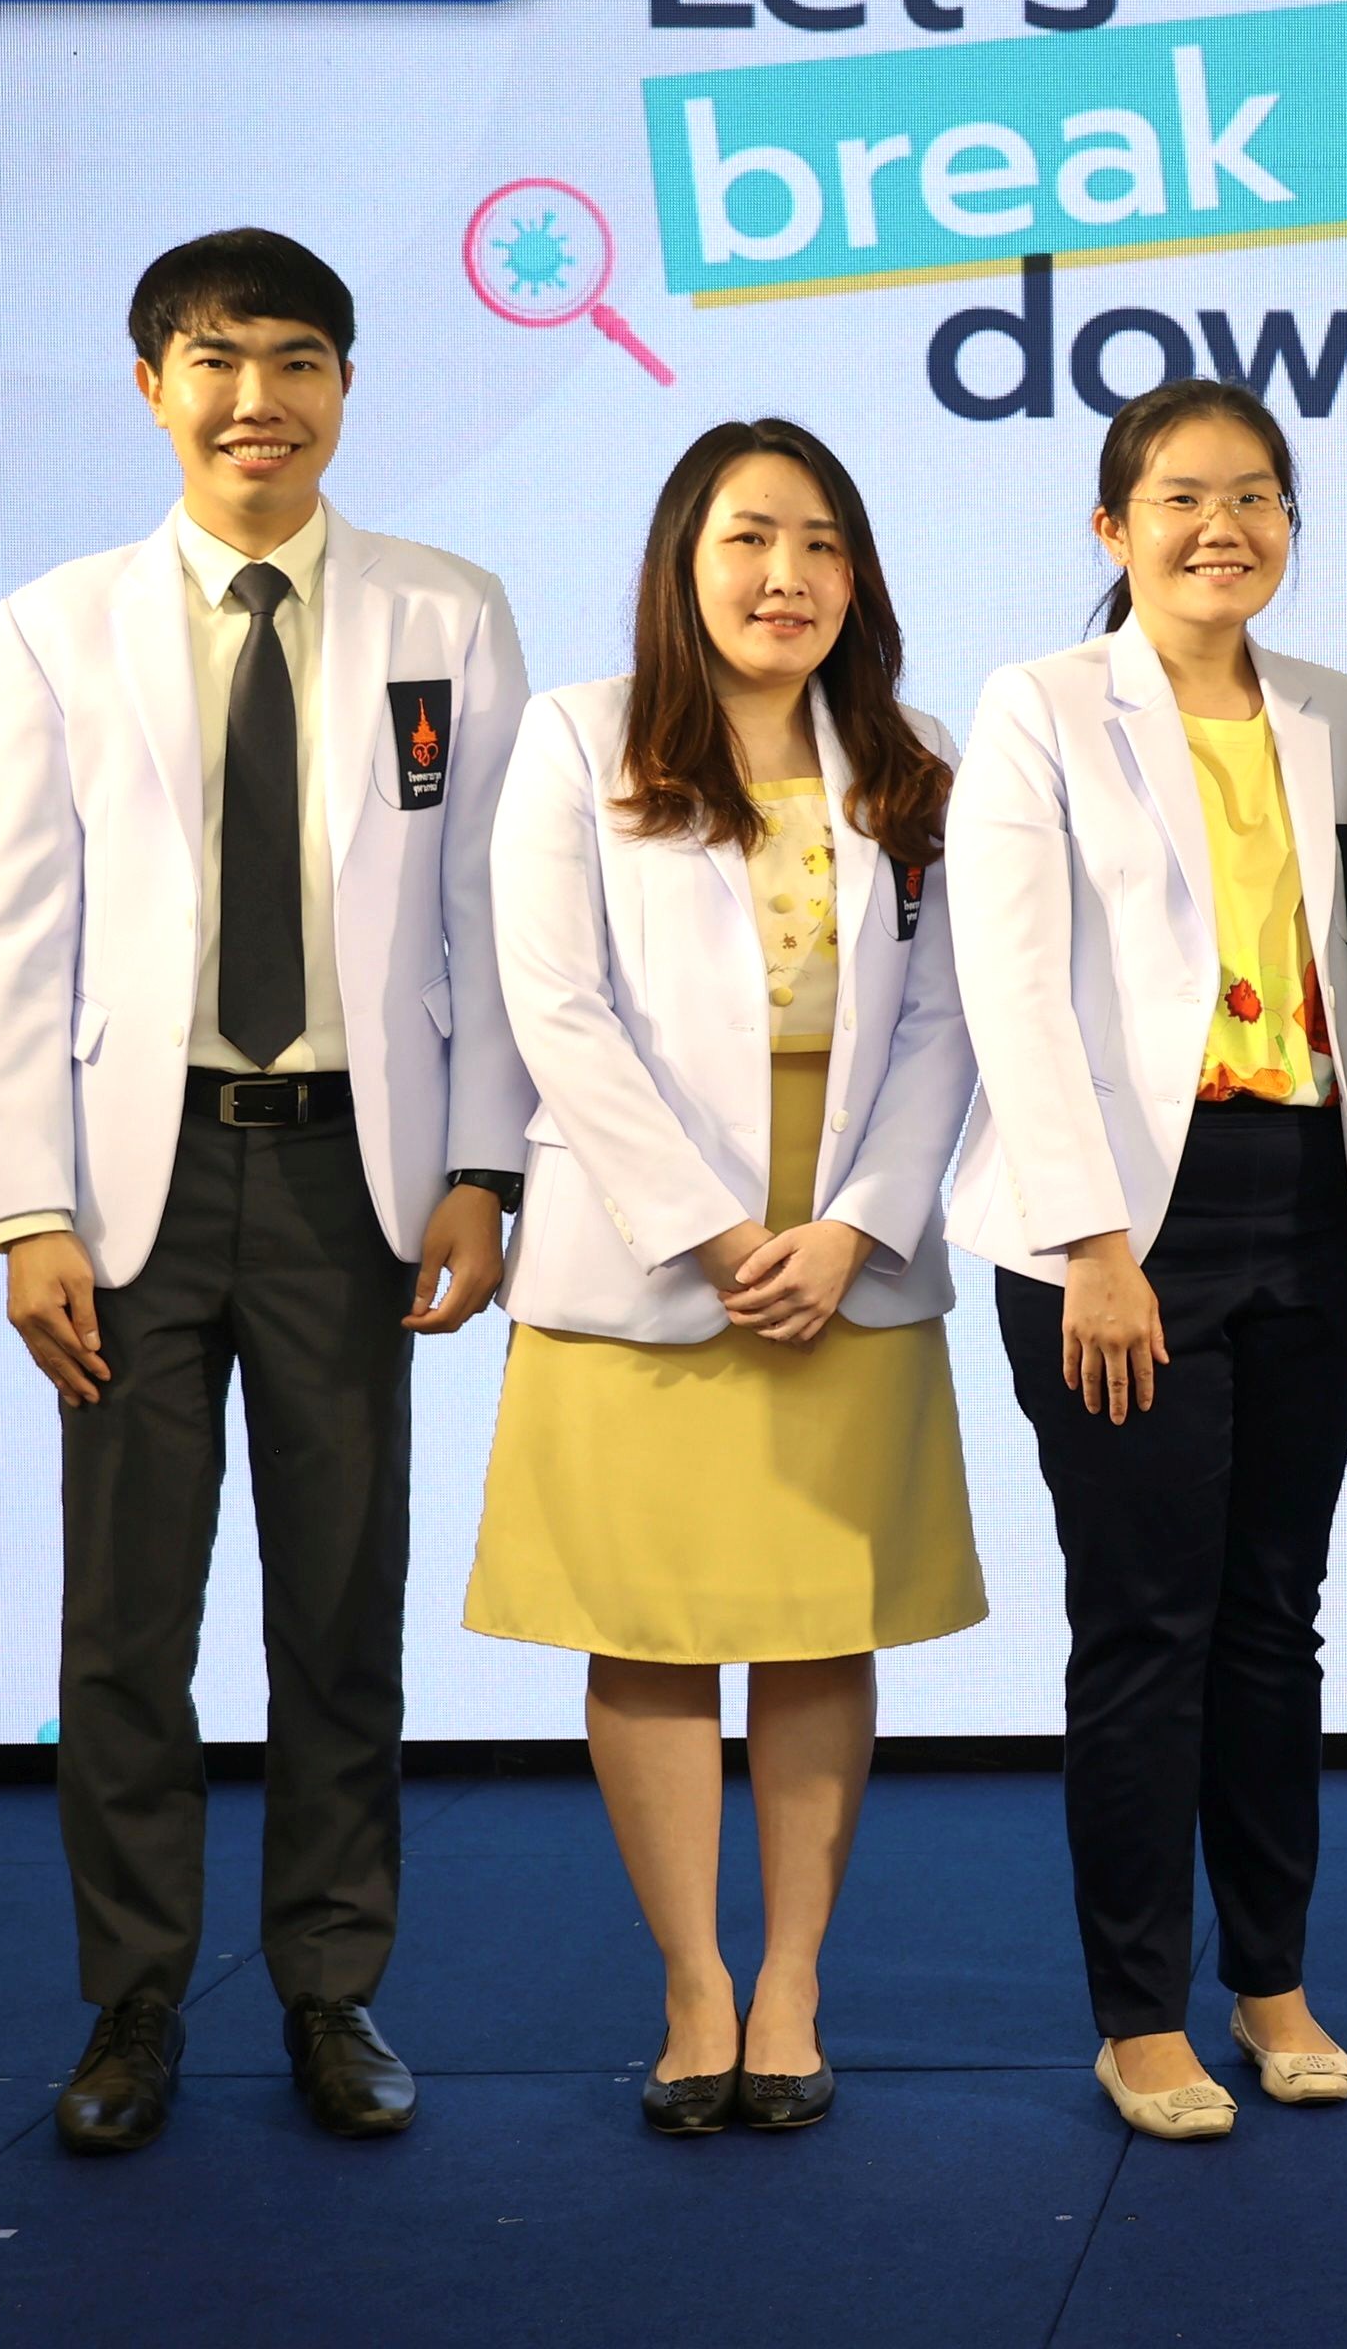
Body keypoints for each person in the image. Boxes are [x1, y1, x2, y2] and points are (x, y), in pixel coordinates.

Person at [0, 230, 529, 2155]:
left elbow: (490, 919)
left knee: (341, 1605)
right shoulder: (59, 624)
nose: (257, 400)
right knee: (125, 1621)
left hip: (350, 1181)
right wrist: (26, 1207)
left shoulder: (446, 610)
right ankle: (132, 1999)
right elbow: (21, 938)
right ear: (153, 387)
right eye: (215, 361)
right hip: (130, 1190)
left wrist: (484, 1167)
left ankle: (330, 1988)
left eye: (297, 359)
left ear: (347, 387)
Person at [466, 418, 983, 2136]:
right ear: (683, 561)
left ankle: (792, 1984)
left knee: (818, 1624)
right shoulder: (580, 738)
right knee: (652, 1627)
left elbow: (948, 1018)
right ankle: (695, 1983)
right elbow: (554, 1006)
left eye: (823, 543)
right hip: (648, 1239)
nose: (789, 576)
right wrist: (709, 1228)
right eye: (752, 539)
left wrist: (855, 1226)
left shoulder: (915, 754)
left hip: (844, 1241)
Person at [948, 378, 1347, 2142]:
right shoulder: (1043, 706)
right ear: (1113, 526)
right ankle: (1140, 2014)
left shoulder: (1342, 712)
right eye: (1182, 497)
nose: (1225, 527)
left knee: (1276, 1618)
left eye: (1257, 496)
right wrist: (1092, 1242)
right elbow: (1013, 991)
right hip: (1123, 1219)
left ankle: (1271, 1981)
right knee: (1146, 1621)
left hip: (1312, 1199)